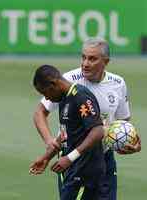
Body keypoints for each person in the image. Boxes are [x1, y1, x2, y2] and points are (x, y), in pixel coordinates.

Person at [31, 38, 141, 199]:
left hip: (104, 158)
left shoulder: (118, 84)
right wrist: (50, 143)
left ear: (106, 61)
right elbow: (40, 112)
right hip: (74, 160)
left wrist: (132, 142)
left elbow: (123, 122)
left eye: (92, 58)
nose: (85, 63)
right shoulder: (67, 81)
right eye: (83, 57)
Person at [29, 64, 106, 200]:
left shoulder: (80, 96)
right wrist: (47, 157)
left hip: (84, 172)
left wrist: (70, 158)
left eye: (45, 93)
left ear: (54, 83)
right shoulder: (65, 99)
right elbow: (66, 135)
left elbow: (98, 130)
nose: (46, 98)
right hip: (73, 171)